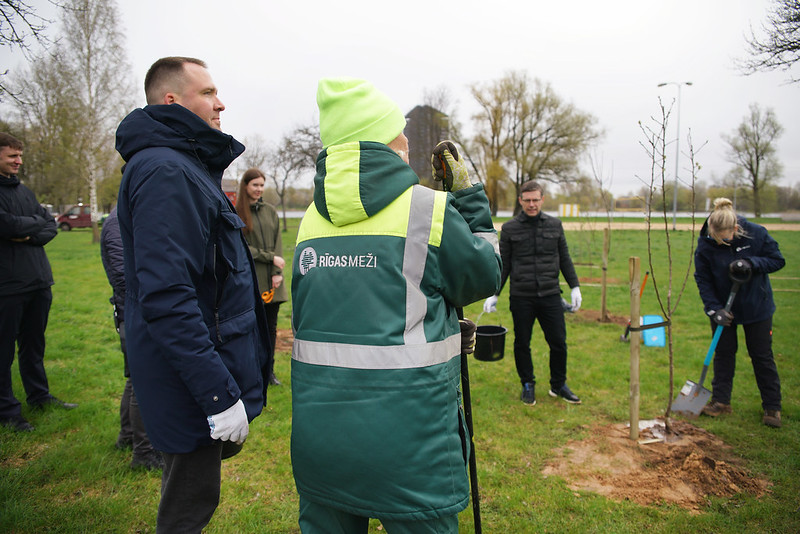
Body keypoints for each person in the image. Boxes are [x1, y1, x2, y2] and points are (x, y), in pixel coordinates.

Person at [290, 77, 501, 534]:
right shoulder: (428, 210)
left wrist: (439, 321)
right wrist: (469, 200)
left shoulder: (310, 219)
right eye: (400, 132)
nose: (407, 141)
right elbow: (484, 275)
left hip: (323, 442)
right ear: (384, 141)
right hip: (411, 446)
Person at [115, 57, 271, 532]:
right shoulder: (167, 171)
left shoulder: (182, 165)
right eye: (207, 93)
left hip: (192, 368)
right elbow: (168, 297)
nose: (220, 103)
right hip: (189, 378)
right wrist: (217, 395)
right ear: (172, 101)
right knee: (188, 507)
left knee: (191, 497)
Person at [0, 132, 77, 433]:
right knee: (4, 351)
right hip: (7, 286)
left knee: (33, 346)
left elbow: (50, 226)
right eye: (12, 156)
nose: (19, 161)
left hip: (38, 281)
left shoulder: (24, 192)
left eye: (20, 155)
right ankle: (7, 410)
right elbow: (6, 224)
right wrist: (31, 227)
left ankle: (39, 397)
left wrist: (27, 233)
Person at [483, 180, 582, 406]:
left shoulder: (555, 225)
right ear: (520, 201)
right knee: (522, 343)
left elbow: (564, 258)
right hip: (521, 296)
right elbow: (504, 264)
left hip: (550, 294)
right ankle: (527, 384)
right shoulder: (510, 229)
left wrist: (575, 286)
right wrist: (494, 293)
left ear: (542, 200)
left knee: (558, 342)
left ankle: (558, 385)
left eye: (535, 200)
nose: (531, 204)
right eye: (527, 200)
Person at [694, 198, 785, 428]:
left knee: (761, 355)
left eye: (725, 238)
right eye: (716, 238)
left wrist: (751, 263)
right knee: (723, 354)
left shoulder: (756, 234)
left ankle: (772, 407)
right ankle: (721, 402)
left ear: (735, 229)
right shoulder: (705, 243)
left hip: (757, 306)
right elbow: (702, 278)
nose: (720, 242)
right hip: (723, 307)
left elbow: (777, 260)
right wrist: (713, 309)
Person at [100, 206, 163, 470]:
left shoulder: (130, 216)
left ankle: (127, 436)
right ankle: (144, 453)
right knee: (143, 381)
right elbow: (122, 275)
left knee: (134, 378)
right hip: (135, 313)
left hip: (136, 311)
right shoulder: (118, 222)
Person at [235, 168, 287, 385]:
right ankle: (252, 372)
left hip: (273, 282)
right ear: (245, 186)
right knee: (252, 329)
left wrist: (277, 272)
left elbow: (277, 243)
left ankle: (269, 373)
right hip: (252, 280)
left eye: (261, 185)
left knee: (271, 328)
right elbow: (242, 248)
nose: (259, 189)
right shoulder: (237, 213)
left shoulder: (270, 211)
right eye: (255, 185)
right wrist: (270, 258)